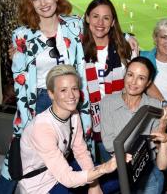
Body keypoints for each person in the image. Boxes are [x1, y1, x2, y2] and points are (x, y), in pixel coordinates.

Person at [0, 0, 92, 193]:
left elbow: (101, 30)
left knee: (68, 158)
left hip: (69, 100)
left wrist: (127, 36)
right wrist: (16, 59)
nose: (43, 3)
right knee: (19, 163)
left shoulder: (74, 25)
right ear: (31, 3)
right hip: (37, 103)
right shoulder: (21, 35)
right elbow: (20, 76)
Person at [17, 64, 130, 193]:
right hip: (40, 185)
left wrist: (94, 185)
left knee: (122, 174)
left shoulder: (74, 114)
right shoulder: (42, 128)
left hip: (63, 170)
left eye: (74, 88)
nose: (71, 96)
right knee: (107, 173)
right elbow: (68, 179)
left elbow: (81, 151)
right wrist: (103, 168)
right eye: (63, 90)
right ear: (51, 94)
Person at [100, 56, 167, 194]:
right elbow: (109, 143)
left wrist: (163, 123)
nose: (133, 82)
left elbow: (157, 145)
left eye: (141, 78)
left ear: (148, 83)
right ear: (125, 75)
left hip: (147, 172)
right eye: (130, 75)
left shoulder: (155, 106)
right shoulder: (107, 102)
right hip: (118, 172)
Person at [82, 0, 136, 163]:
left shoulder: (126, 49)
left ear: (113, 22)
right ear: (87, 18)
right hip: (87, 121)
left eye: (106, 18)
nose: (100, 22)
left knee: (123, 172)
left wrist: (127, 36)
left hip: (120, 121)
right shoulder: (76, 49)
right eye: (95, 16)